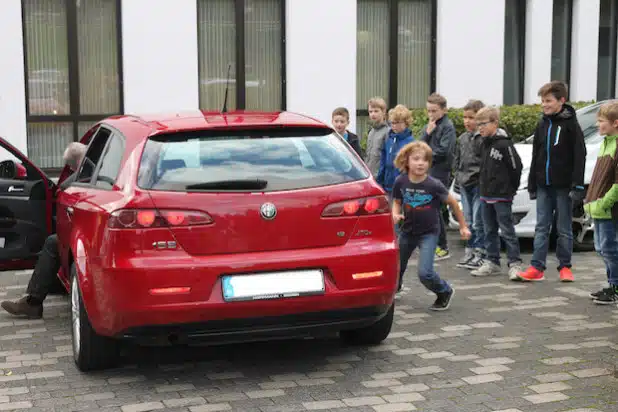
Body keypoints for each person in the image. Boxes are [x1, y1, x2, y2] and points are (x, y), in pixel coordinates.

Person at [1, 142, 87, 319]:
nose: (70, 170)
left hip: (89, 235)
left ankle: (33, 302)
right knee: (54, 243)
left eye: (71, 167)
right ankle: (44, 291)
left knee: (53, 242)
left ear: (75, 164)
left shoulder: (87, 171)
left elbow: (66, 185)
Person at [518, 81, 586, 283]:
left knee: (563, 228)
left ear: (561, 101)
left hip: (564, 186)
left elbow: (579, 155)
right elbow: (536, 154)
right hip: (543, 185)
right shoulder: (542, 124)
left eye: (548, 101)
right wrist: (532, 183)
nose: (544, 105)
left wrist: (578, 186)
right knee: (541, 226)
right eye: (542, 101)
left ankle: (565, 267)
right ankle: (537, 267)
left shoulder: (571, 125)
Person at [392, 141, 470, 311]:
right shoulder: (401, 181)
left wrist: (463, 227)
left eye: (425, 160)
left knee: (425, 273)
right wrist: (395, 214)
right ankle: (395, 288)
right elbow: (397, 201)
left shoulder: (433, 185)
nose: (421, 163)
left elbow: (454, 204)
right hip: (407, 232)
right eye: (416, 159)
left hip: (428, 233)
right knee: (397, 266)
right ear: (406, 161)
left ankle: (444, 291)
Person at [470, 107, 524, 280]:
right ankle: (492, 261)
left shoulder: (504, 144)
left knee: (507, 230)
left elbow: (516, 167)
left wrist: (510, 190)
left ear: (495, 123)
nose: (480, 128)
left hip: (502, 196)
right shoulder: (484, 143)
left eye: (483, 124)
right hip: (486, 195)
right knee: (489, 230)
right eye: (478, 124)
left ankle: (515, 263)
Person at [584, 101, 618, 304]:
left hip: (608, 210)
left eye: (601, 121)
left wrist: (603, 203)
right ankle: (611, 283)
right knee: (602, 248)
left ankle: (615, 286)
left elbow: (616, 184)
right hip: (598, 208)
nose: (598, 125)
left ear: (615, 123)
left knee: (610, 249)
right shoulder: (606, 143)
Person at [421, 93, 457, 261]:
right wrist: (427, 134)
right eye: (428, 111)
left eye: (434, 111)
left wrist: (426, 157)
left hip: (440, 172)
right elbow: (420, 145)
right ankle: (434, 243)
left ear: (444, 110)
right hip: (429, 171)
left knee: (434, 209)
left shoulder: (447, 127)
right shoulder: (431, 125)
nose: (431, 114)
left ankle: (442, 246)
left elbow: (444, 151)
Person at [454, 99, 486, 270]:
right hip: (465, 184)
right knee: (467, 220)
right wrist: (458, 177)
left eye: (471, 117)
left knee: (478, 221)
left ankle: (480, 253)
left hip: (478, 184)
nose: (467, 121)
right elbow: (458, 160)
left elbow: (484, 163)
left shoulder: (482, 139)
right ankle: (470, 251)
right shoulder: (462, 138)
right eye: (465, 117)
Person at [376, 104, 414, 197]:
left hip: (402, 188)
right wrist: (379, 181)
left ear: (406, 122)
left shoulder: (410, 142)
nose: (394, 126)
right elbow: (383, 161)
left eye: (397, 123)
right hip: (387, 185)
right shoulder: (389, 139)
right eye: (392, 123)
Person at [364, 97, 389, 177]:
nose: (373, 114)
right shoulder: (371, 131)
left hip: (380, 177)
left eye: (376, 111)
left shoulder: (387, 132)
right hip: (369, 175)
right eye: (370, 111)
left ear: (384, 112)